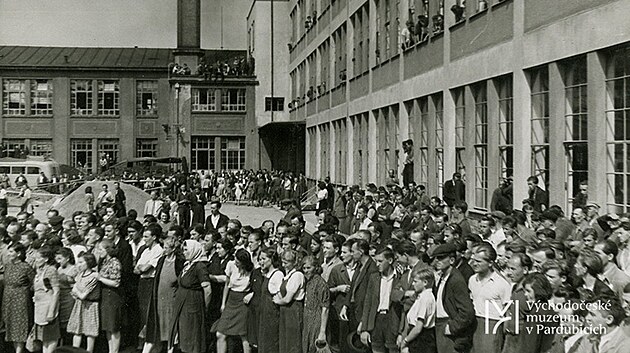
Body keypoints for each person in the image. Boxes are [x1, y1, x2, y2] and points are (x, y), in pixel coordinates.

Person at [429, 243, 476, 353]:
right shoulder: (443, 276)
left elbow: (467, 312)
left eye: (441, 258)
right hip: (439, 325)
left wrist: (452, 327)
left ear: (451, 260)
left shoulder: (456, 280)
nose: (437, 261)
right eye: (436, 258)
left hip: (449, 327)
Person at [169, 240, 212, 353]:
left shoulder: (199, 266)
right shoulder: (187, 265)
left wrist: (204, 307)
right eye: (183, 250)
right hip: (183, 304)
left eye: (186, 250)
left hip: (192, 305)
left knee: (191, 335)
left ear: (194, 250)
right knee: (184, 334)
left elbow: (207, 290)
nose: (184, 252)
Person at [143, 236, 185, 353]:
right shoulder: (162, 260)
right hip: (159, 300)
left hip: (171, 300)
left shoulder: (179, 261)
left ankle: (170, 350)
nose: (164, 250)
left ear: (173, 249)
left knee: (171, 328)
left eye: (166, 248)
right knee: (158, 326)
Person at [215, 248, 254, 353]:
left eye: (238, 262)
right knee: (220, 333)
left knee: (244, 335)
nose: (236, 263)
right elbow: (227, 285)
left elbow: (257, 287)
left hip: (243, 303)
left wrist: (251, 294)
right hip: (231, 300)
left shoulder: (252, 270)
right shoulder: (230, 265)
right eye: (235, 260)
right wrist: (223, 303)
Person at [3, 243, 36, 353]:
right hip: (8, 298)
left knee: (20, 325)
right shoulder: (8, 265)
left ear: (19, 253)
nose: (8, 254)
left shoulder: (26, 267)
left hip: (20, 299)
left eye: (11, 251)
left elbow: (33, 284)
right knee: (10, 324)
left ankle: (19, 351)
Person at [67, 252, 100, 353]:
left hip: (90, 306)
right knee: (77, 330)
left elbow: (82, 295)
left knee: (90, 331)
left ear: (88, 262)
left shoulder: (93, 276)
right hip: (79, 305)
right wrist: (76, 289)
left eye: (81, 262)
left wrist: (76, 289)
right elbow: (74, 291)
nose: (78, 264)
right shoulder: (80, 274)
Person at [134, 225, 164, 336]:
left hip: (150, 283)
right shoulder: (145, 251)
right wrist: (142, 268)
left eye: (147, 237)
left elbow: (145, 268)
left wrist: (142, 268)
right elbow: (136, 269)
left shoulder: (158, 250)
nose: (144, 239)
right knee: (141, 311)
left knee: (148, 311)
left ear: (154, 237)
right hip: (142, 282)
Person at [398, 268, 437, 353]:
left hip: (421, 340)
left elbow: (418, 327)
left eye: (415, 282)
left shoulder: (426, 298)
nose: (413, 284)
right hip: (416, 337)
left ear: (425, 283)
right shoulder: (421, 297)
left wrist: (405, 341)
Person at [274, 249, 305, 353]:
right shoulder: (288, 274)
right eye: (282, 262)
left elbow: (287, 299)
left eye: (286, 263)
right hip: (285, 311)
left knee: (293, 340)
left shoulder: (297, 275)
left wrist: (277, 301)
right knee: (285, 339)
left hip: (293, 310)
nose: (283, 265)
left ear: (294, 262)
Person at [31, 247, 61, 353]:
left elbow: (56, 291)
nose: (36, 260)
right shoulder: (39, 271)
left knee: (51, 336)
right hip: (39, 307)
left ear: (46, 259)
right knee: (44, 338)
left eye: (38, 258)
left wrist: (51, 312)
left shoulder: (51, 270)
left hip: (48, 306)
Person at [96, 239, 124, 353]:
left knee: (114, 327)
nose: (99, 251)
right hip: (105, 296)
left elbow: (116, 282)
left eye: (101, 249)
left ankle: (115, 351)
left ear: (107, 250)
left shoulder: (114, 262)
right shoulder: (104, 262)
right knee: (108, 327)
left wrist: (100, 278)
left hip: (112, 296)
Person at [302, 255, 330, 353]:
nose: (306, 270)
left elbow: (325, 308)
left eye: (309, 268)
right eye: (304, 268)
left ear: (316, 267)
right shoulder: (309, 281)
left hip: (317, 321)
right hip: (308, 320)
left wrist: (322, 332)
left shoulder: (320, 284)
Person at [257, 248, 283, 353]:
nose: (261, 262)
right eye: (259, 259)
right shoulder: (267, 274)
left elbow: (280, 296)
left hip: (272, 315)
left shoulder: (277, 275)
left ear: (271, 259)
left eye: (263, 259)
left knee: (271, 343)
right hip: (264, 314)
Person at [56, 247, 78, 344]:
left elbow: (76, 284)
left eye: (60, 258)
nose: (58, 261)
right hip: (59, 297)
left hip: (69, 298)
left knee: (68, 324)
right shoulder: (59, 268)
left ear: (67, 258)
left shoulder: (74, 269)